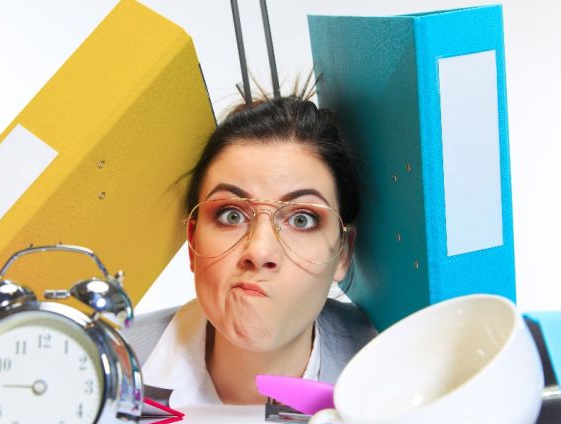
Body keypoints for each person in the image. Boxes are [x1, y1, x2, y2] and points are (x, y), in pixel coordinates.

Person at [122, 94, 377, 406]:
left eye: (302, 219)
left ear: (343, 253)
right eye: (231, 215)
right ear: (192, 240)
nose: (258, 252)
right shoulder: (103, 369)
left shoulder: (401, 369)